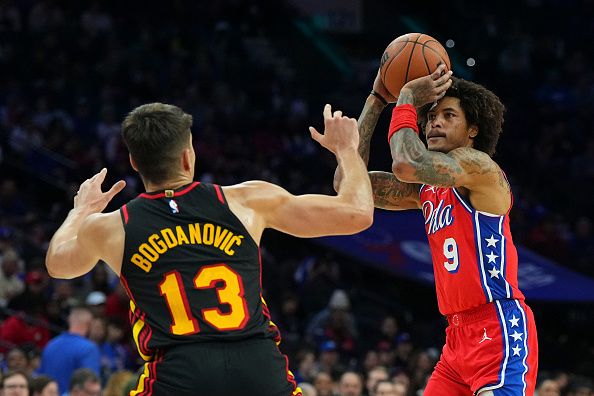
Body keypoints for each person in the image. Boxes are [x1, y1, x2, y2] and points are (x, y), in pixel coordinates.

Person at [45, 102, 373, 396]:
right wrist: (346, 149)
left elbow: (58, 264)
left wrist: (81, 211)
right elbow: (357, 214)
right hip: (258, 367)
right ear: (188, 155)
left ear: (133, 161)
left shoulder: (110, 227)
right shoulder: (248, 200)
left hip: (179, 372)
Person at [335, 64, 538, 395]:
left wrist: (408, 97)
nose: (434, 122)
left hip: (498, 328)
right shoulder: (427, 190)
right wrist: (376, 99)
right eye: (430, 117)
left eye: (448, 115)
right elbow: (347, 186)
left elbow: (405, 163)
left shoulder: (480, 168)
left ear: (472, 130)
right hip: (456, 339)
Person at [37, 306, 100, 395]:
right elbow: (91, 385)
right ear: (89, 324)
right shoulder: (89, 348)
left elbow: (40, 377)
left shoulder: (51, 344)